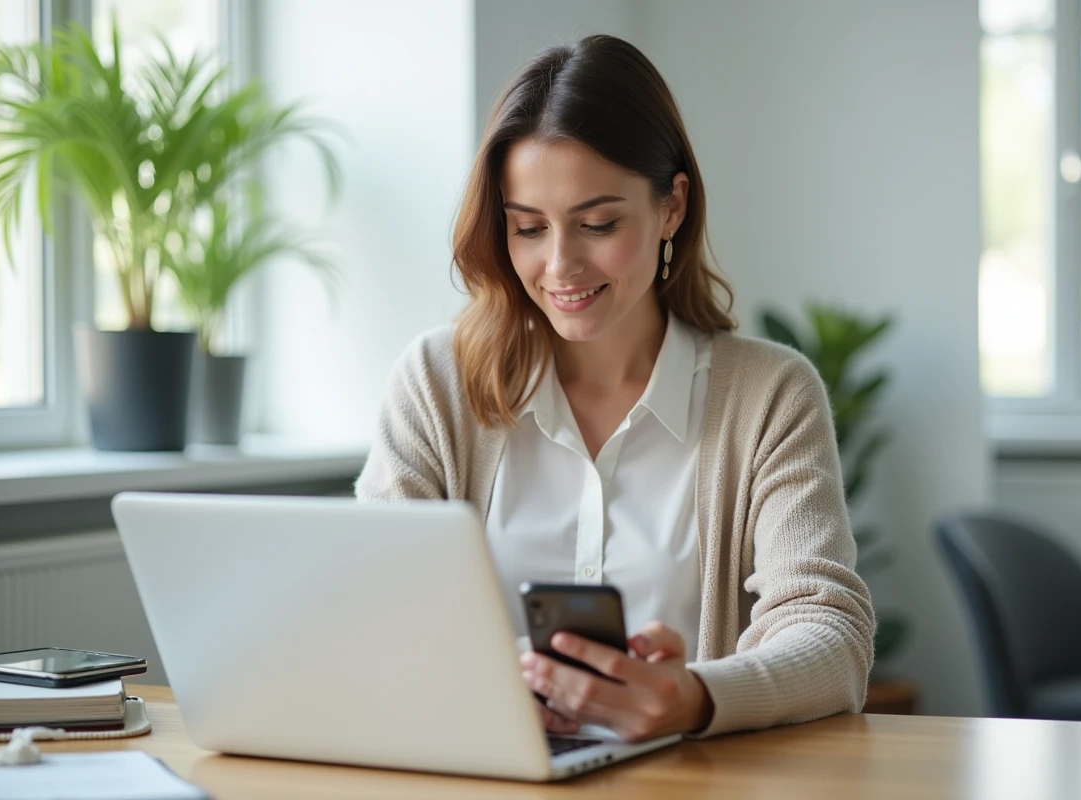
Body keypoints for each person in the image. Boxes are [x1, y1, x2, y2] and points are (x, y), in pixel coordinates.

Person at [356, 34, 875, 741]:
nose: (560, 265)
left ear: (671, 207)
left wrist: (695, 696)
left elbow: (829, 631)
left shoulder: (769, 396)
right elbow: (374, 608)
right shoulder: (435, 383)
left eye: (598, 224)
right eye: (528, 228)